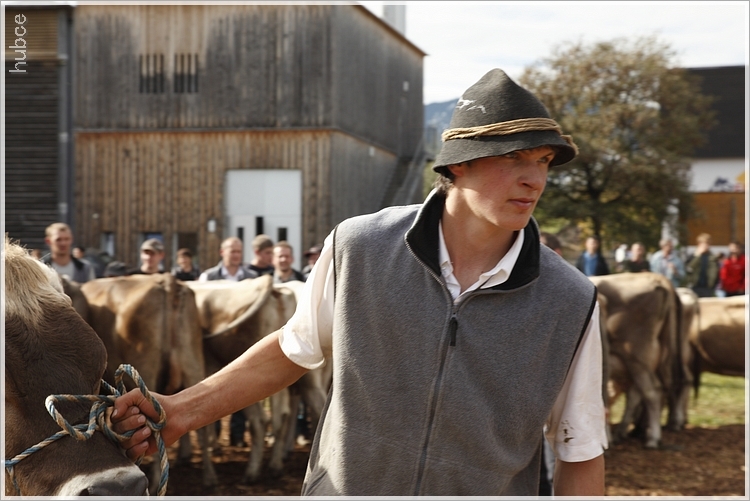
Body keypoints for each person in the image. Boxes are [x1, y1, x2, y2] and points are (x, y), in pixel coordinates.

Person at [112, 68, 607, 496]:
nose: (535, 180)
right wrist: (180, 411)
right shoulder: (360, 247)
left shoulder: (570, 299)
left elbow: (580, 448)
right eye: (515, 158)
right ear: (460, 162)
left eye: (543, 161)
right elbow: (293, 349)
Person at [198, 236, 256, 446]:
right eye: (232, 251)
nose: (236, 255)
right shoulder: (208, 277)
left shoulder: (252, 278)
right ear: (222, 252)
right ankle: (212, 436)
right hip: (213, 344)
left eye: (239, 251)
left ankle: (237, 435)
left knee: (241, 389)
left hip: (239, 341)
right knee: (211, 387)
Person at [685, 233, 720, 297]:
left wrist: (713, 286)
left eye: (708, 244)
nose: (707, 246)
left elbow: (717, 274)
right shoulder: (692, 256)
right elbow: (688, 269)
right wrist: (698, 255)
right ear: (699, 244)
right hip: (694, 287)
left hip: (708, 288)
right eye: (705, 243)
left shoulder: (713, 258)